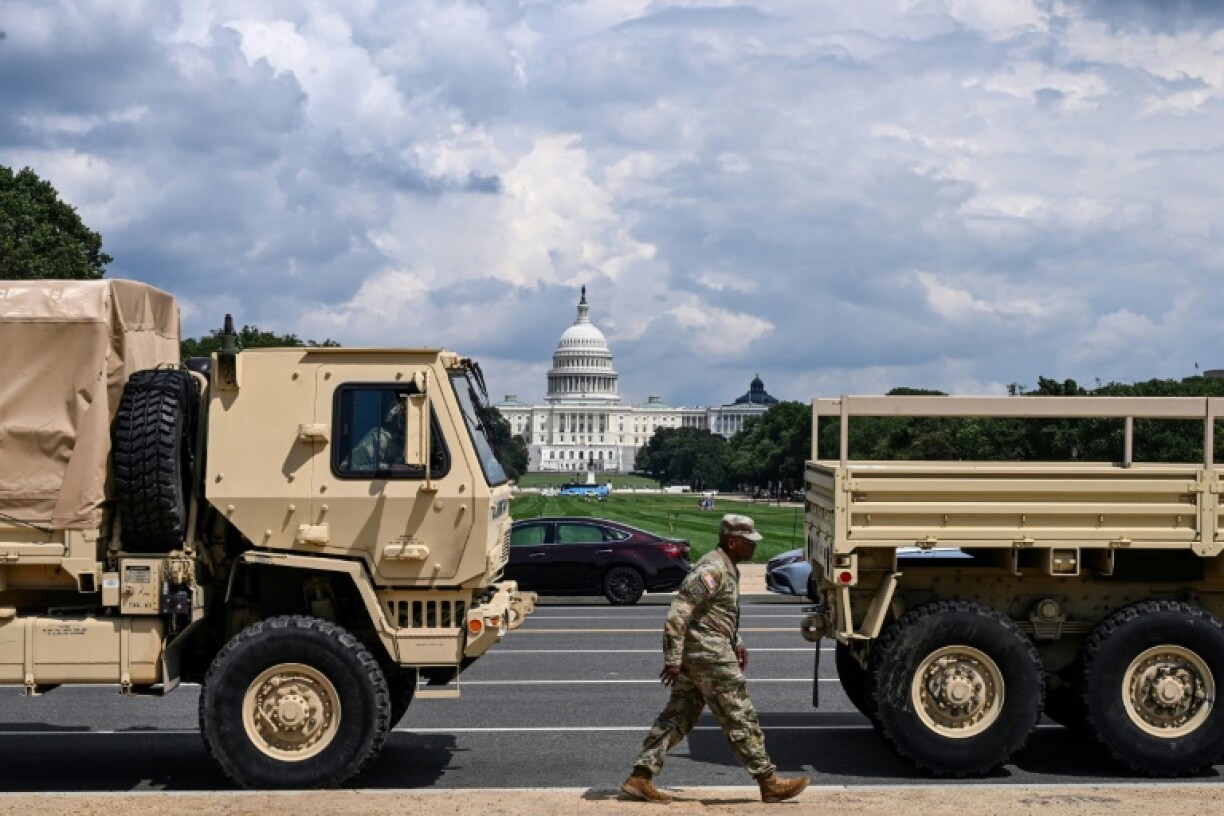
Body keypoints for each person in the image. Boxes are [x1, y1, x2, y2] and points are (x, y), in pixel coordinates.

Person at [621, 514, 810, 804]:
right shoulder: (711, 569)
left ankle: (640, 777)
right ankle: (767, 780)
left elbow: (717, 613)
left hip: (708, 650)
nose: (754, 547)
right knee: (739, 713)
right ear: (733, 541)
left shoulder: (726, 566)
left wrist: (737, 641)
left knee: (679, 715)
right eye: (749, 542)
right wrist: (672, 658)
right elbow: (678, 612)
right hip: (709, 655)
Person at [350, 400, 404, 472]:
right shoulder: (379, 439)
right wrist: (389, 468)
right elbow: (348, 467)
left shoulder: (402, 440)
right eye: (403, 418)